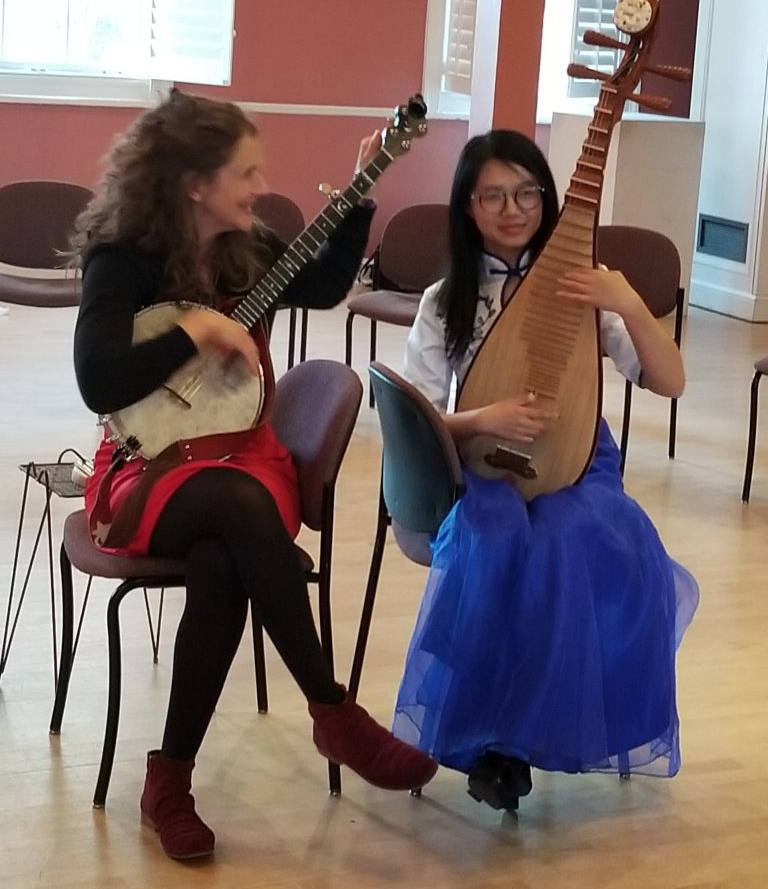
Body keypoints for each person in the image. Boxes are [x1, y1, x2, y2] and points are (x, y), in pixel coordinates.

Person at [69, 90, 437, 861]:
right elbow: (102, 381)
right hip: (149, 462)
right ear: (194, 183)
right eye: (245, 171)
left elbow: (325, 284)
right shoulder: (123, 256)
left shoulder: (249, 243)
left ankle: (168, 781)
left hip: (243, 451)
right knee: (238, 516)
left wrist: (360, 195)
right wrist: (197, 328)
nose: (258, 184)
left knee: (222, 558)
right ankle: (332, 710)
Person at [391, 129, 699, 811]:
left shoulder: (584, 292)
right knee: (494, 540)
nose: (512, 209)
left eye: (526, 192)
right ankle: (488, 738)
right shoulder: (447, 300)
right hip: (480, 470)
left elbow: (671, 381)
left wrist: (624, 301)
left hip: (577, 465)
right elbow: (411, 415)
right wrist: (480, 419)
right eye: (492, 196)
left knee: (566, 542)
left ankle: (521, 739)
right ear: (466, 208)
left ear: (548, 198)